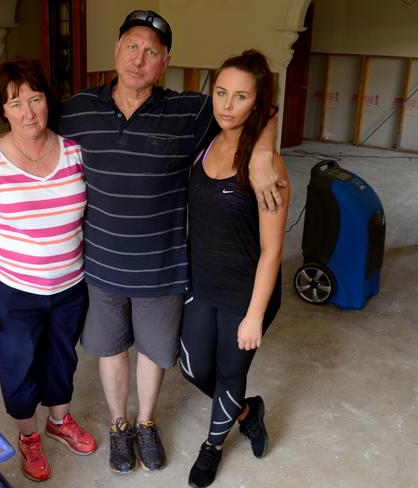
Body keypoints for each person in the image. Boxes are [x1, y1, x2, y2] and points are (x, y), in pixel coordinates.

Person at [0, 10, 286, 475]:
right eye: (132, 46)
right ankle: (119, 425)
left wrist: (263, 153)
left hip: (163, 268)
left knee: (154, 355)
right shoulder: (78, 109)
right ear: (116, 52)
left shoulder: (190, 111)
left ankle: (146, 422)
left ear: (165, 62)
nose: (139, 58)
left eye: (152, 51)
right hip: (99, 269)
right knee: (109, 353)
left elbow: (258, 109)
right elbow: (28, 125)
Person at [0, 58, 96, 483]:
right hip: (13, 290)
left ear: (47, 102)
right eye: (15, 104)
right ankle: (29, 437)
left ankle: (59, 421)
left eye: (35, 100)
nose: (28, 113)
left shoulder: (75, 152)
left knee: (61, 359)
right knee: (19, 367)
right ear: (3, 110)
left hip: (70, 284)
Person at [179, 50, 290, 487]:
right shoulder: (207, 137)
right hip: (203, 282)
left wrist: (254, 316)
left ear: (256, 104)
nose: (226, 105)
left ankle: (212, 448)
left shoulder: (268, 168)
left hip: (246, 291)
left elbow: (272, 251)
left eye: (240, 97)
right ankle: (247, 409)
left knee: (229, 373)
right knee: (191, 367)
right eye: (220, 92)